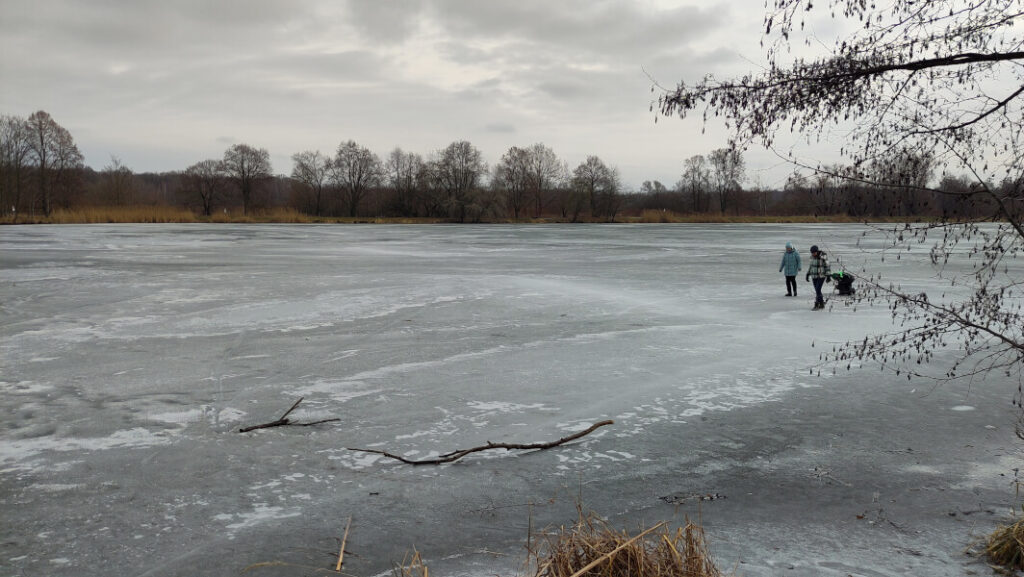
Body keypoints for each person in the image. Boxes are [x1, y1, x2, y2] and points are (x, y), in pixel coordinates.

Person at [805, 245, 831, 310]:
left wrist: (828, 275)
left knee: (818, 289)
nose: (813, 254)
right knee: (817, 290)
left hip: (821, 276)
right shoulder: (812, 257)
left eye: (814, 252)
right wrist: (808, 274)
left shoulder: (823, 257)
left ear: (817, 251)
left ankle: (817, 304)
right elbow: (811, 266)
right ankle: (821, 304)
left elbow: (827, 266)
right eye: (812, 253)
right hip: (814, 276)